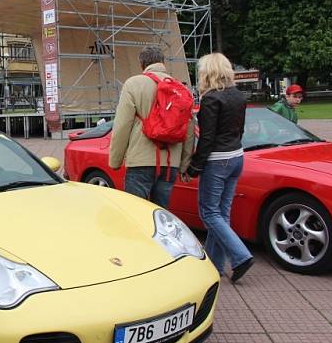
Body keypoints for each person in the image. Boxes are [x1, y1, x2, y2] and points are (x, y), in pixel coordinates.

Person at [185, 53, 254, 283]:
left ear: (208, 72)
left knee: (209, 212)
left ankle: (241, 256)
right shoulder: (238, 95)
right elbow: (240, 130)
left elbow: (207, 139)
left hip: (218, 160)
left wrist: (194, 167)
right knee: (221, 213)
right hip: (237, 156)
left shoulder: (211, 99)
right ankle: (214, 265)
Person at [108, 46, 195, 208]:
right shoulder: (181, 88)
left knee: (136, 214)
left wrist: (115, 160)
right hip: (170, 164)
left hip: (140, 161)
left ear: (142, 64)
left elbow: (122, 125)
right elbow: (189, 131)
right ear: (163, 62)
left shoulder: (133, 84)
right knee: (160, 217)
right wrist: (183, 165)